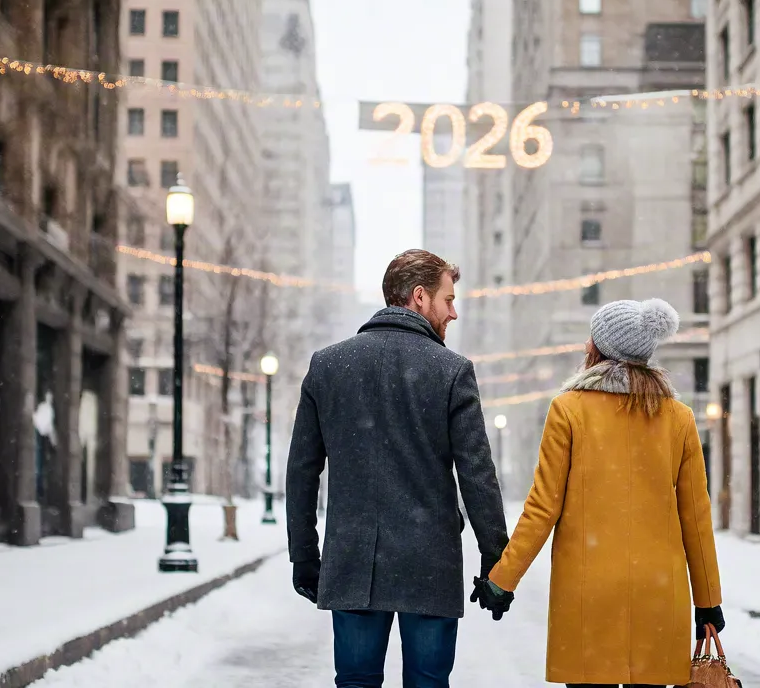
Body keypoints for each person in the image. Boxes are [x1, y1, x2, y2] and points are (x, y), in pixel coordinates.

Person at [286, 249, 511, 688]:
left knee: (355, 681)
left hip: (353, 561)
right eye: (448, 300)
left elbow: (301, 470)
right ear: (420, 297)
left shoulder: (328, 365)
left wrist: (304, 556)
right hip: (428, 566)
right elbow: (477, 475)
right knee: (428, 682)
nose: (454, 312)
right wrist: (495, 562)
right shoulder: (450, 370)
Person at [475, 298, 725, 688]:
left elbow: (543, 507)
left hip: (588, 592)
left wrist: (502, 580)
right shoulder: (679, 417)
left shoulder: (569, 409)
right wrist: (708, 599)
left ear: (600, 347)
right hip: (657, 592)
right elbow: (695, 514)